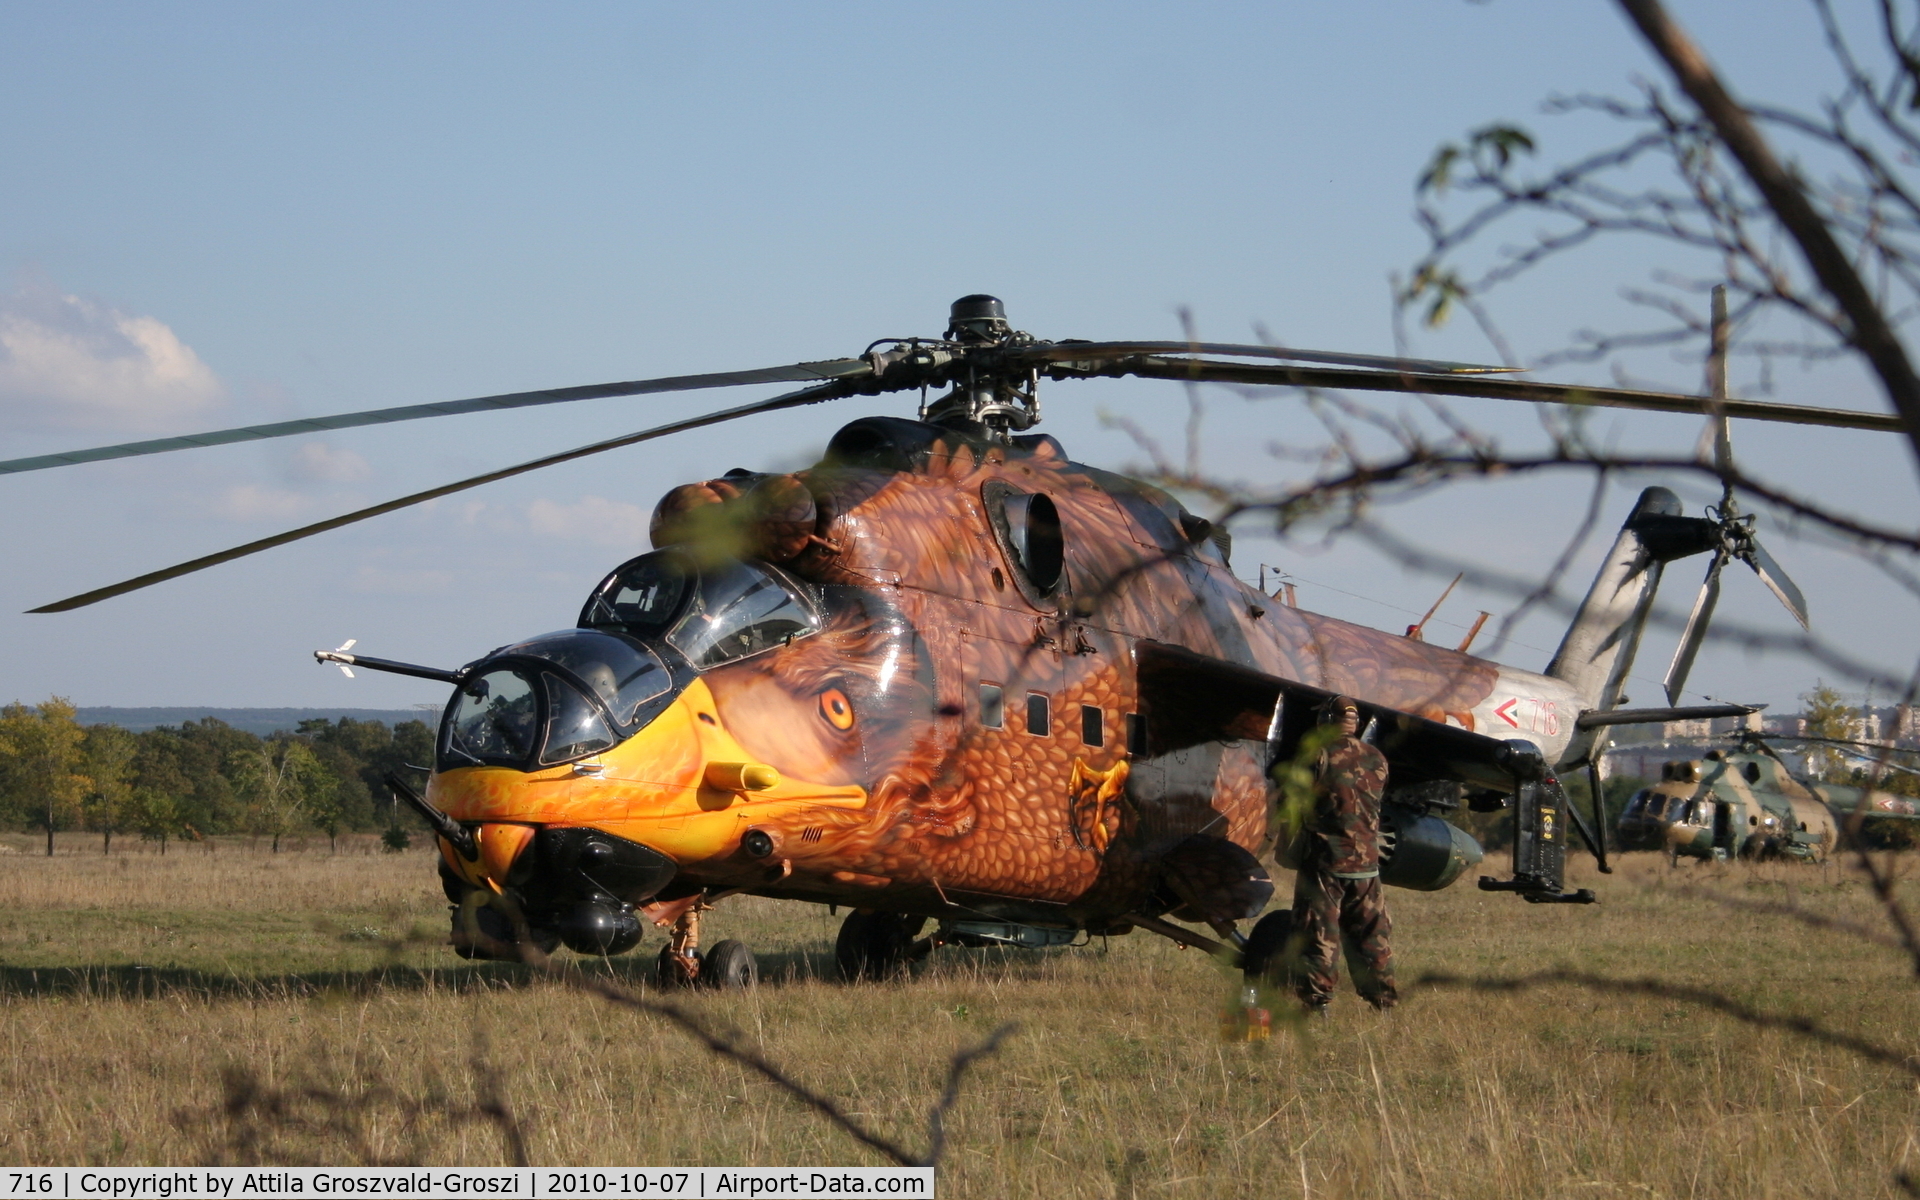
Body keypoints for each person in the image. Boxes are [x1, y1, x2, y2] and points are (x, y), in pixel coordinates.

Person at [1288, 694, 1397, 1014]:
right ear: (1356, 724)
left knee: (1319, 936)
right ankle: (1384, 1005)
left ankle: (1316, 1005)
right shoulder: (1377, 757)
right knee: (1373, 936)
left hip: (1326, 863)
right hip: (1367, 865)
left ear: (1325, 722)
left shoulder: (1317, 755)